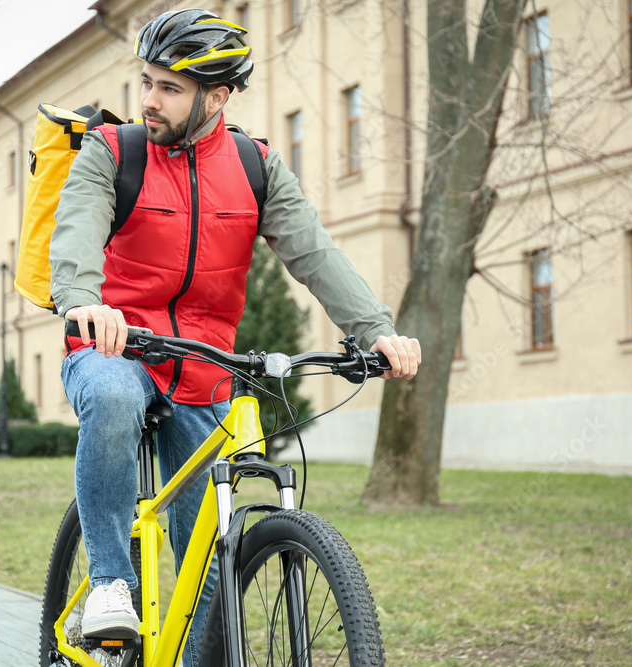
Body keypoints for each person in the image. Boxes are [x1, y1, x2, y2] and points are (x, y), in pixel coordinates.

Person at [49, 8, 421, 665]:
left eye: (169, 88)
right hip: (114, 344)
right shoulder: (114, 152)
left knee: (207, 567)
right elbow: (76, 232)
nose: (149, 100)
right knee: (109, 398)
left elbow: (314, 251)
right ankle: (109, 578)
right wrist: (85, 303)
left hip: (202, 367)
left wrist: (376, 330)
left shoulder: (255, 167)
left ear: (217, 97)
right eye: (146, 82)